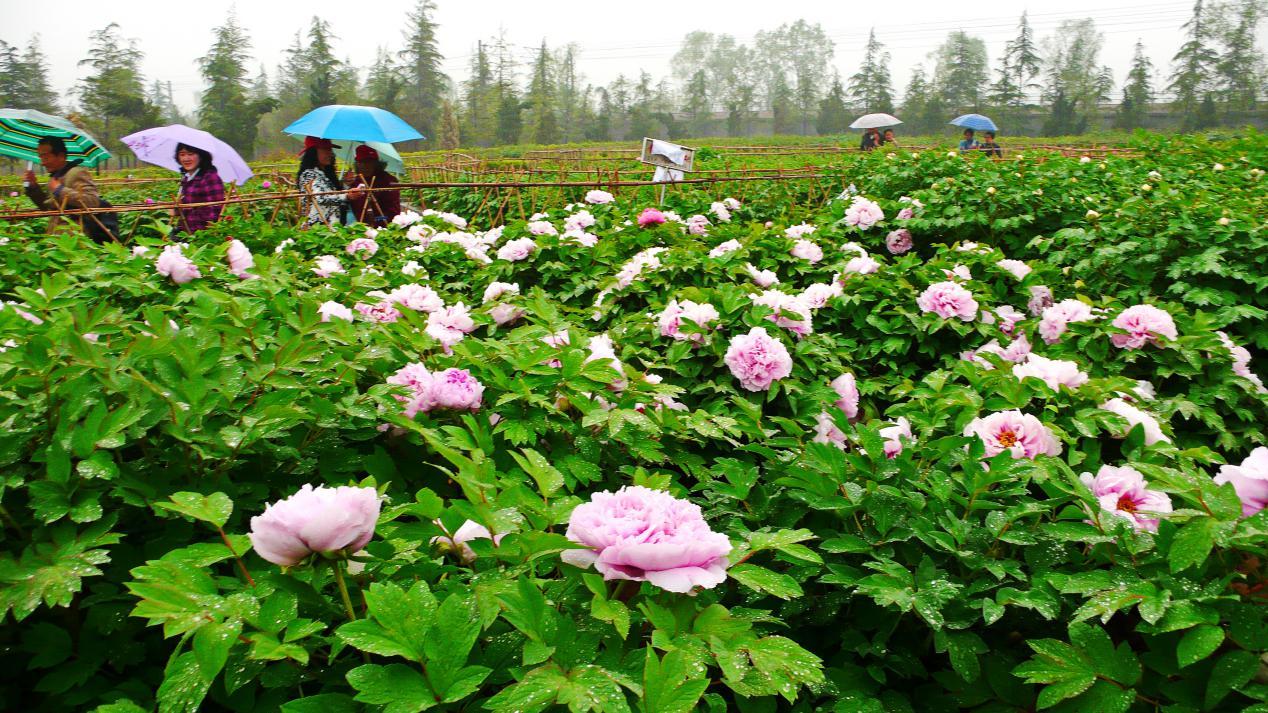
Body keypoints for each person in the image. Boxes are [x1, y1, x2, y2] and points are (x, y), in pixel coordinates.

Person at [23, 136, 107, 239]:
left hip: (76, 242)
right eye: (40, 157)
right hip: (57, 240)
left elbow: (92, 201)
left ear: (61, 156)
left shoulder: (77, 173)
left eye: (45, 157)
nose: (42, 162)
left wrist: (59, 189)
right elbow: (49, 208)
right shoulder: (57, 176)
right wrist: (33, 187)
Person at [172, 143, 225, 234]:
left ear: (201, 155)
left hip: (201, 236)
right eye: (182, 154)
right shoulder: (186, 178)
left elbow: (214, 212)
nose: (186, 158)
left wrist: (183, 210)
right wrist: (177, 209)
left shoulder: (210, 178)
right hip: (185, 232)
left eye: (191, 154)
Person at [296, 136, 348, 228]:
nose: (330, 154)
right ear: (313, 152)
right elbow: (319, 198)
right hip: (317, 228)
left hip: (331, 227)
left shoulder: (325, 174)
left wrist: (346, 185)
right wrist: (347, 196)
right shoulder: (309, 174)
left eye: (330, 150)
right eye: (326, 150)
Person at [343, 145, 401, 227]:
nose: (364, 166)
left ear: (376, 163)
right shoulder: (355, 182)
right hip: (360, 228)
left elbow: (393, 212)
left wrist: (376, 220)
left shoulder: (388, 181)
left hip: (385, 226)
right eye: (360, 162)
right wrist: (345, 185)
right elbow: (346, 206)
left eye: (368, 162)